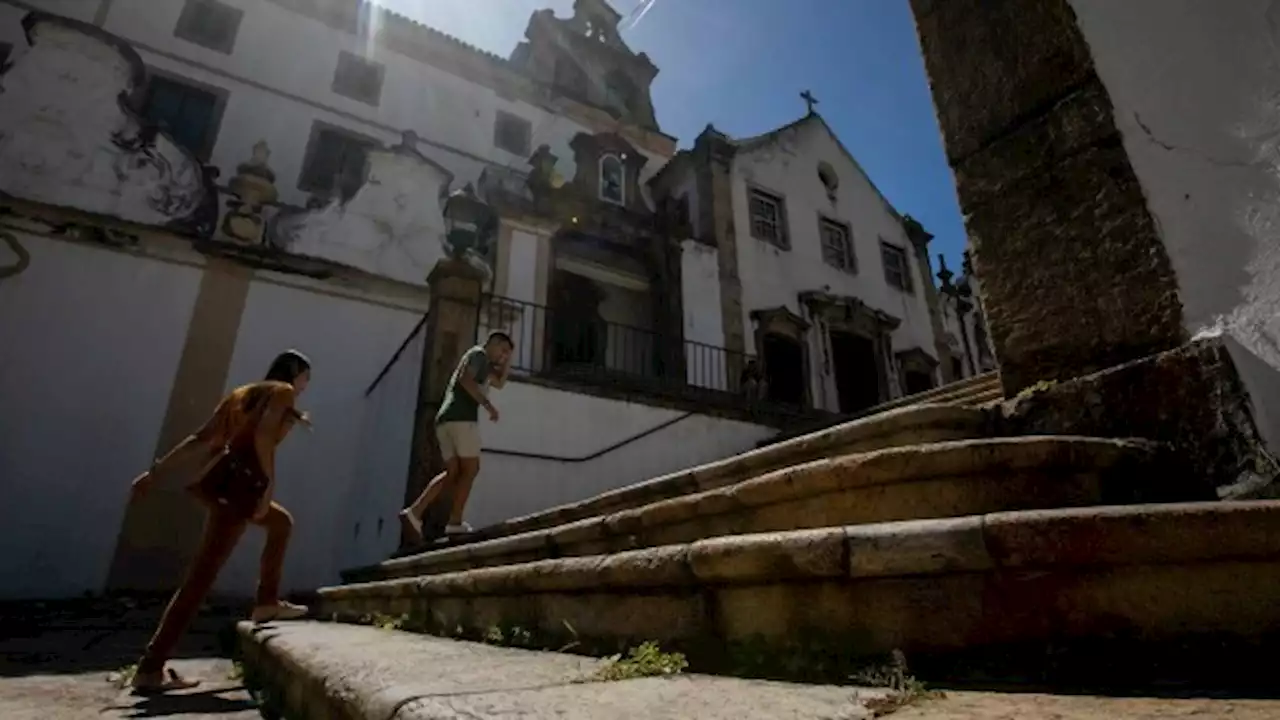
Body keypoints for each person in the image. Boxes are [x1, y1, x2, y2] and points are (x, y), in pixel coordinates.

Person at [127, 350, 314, 694]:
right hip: (243, 491)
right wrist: (268, 485)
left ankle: (266, 601)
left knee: (281, 525)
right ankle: (150, 668)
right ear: (296, 373)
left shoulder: (243, 394)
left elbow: (201, 439)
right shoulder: (282, 392)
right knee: (201, 578)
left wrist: (155, 472)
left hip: (229, 487)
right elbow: (263, 438)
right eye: (306, 379)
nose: (305, 387)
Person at [400, 331, 513, 544]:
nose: (503, 356)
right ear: (493, 343)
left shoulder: (484, 363)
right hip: (462, 417)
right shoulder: (479, 354)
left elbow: (499, 383)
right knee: (471, 469)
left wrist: (507, 362)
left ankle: (415, 512)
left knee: (452, 472)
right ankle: (455, 521)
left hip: (445, 420)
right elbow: (465, 380)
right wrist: (488, 406)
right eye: (503, 350)